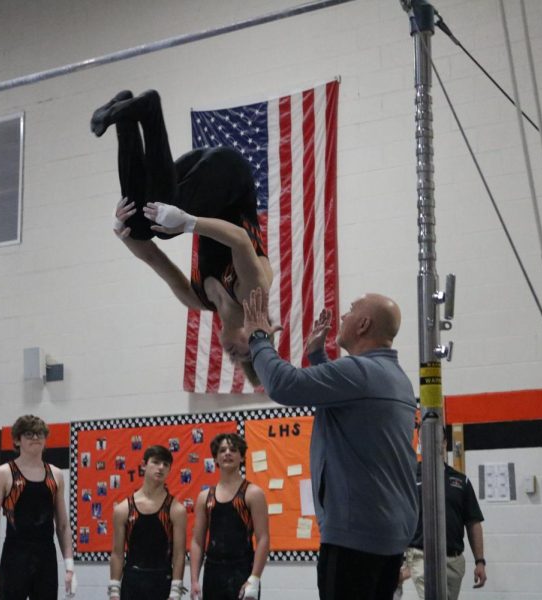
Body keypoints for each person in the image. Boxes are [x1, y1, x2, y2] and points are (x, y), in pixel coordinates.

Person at [243, 288, 418, 600]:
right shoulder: (394, 377)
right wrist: (317, 356)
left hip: (356, 540)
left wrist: (258, 339)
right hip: (386, 535)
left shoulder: (361, 372)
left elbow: (285, 386)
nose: (342, 316)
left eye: (350, 310)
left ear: (363, 325)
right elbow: (342, 406)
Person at [92, 89, 273, 382]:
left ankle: (125, 115)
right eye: (242, 353)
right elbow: (239, 238)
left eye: (233, 359)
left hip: (194, 179)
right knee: (165, 223)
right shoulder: (254, 294)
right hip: (231, 177)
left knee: (139, 222)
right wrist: (189, 223)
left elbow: (152, 258)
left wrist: (123, 233)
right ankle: (149, 111)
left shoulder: (197, 299)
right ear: (261, 333)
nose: (230, 353)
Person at [0, 415, 76, 599]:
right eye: (29, 434)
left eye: (40, 434)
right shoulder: (4, 474)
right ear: (17, 440)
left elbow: (63, 525)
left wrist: (70, 567)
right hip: (15, 555)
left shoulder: (55, 475)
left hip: (46, 556)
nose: (35, 438)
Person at [404, 433, 487, 600]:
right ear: (421, 443)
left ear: (444, 443)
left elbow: (473, 523)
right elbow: (399, 518)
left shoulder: (460, 481)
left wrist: (480, 561)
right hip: (422, 558)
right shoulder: (410, 476)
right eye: (427, 440)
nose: (433, 445)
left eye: (437, 440)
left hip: (453, 561)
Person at [189, 433, 270, 600]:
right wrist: (194, 580)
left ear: (241, 457)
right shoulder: (205, 497)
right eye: (222, 450)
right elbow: (197, 541)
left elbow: (263, 539)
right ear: (215, 459)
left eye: (233, 450)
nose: (227, 453)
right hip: (213, 573)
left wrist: (254, 578)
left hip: (242, 571)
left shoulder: (252, 493)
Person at [109, 445, 188, 600]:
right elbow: (117, 554)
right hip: (132, 581)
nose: (161, 468)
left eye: (166, 465)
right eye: (156, 462)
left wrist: (176, 589)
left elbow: (179, 554)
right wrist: (114, 590)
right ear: (144, 465)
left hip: (162, 581)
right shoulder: (123, 509)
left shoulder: (176, 510)